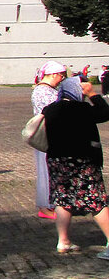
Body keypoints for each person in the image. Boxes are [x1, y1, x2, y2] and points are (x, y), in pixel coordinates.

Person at [43, 79, 109, 257]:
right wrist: (92, 94)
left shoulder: (49, 110)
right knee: (96, 200)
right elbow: (105, 112)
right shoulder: (82, 109)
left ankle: (63, 241)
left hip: (57, 161)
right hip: (83, 160)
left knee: (62, 200)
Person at [33, 61, 75, 219]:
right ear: (53, 75)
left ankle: (55, 202)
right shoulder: (42, 91)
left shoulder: (49, 89)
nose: (62, 79)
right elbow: (55, 111)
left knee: (52, 169)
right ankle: (45, 206)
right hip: (47, 135)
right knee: (46, 170)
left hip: (54, 134)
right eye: (61, 76)